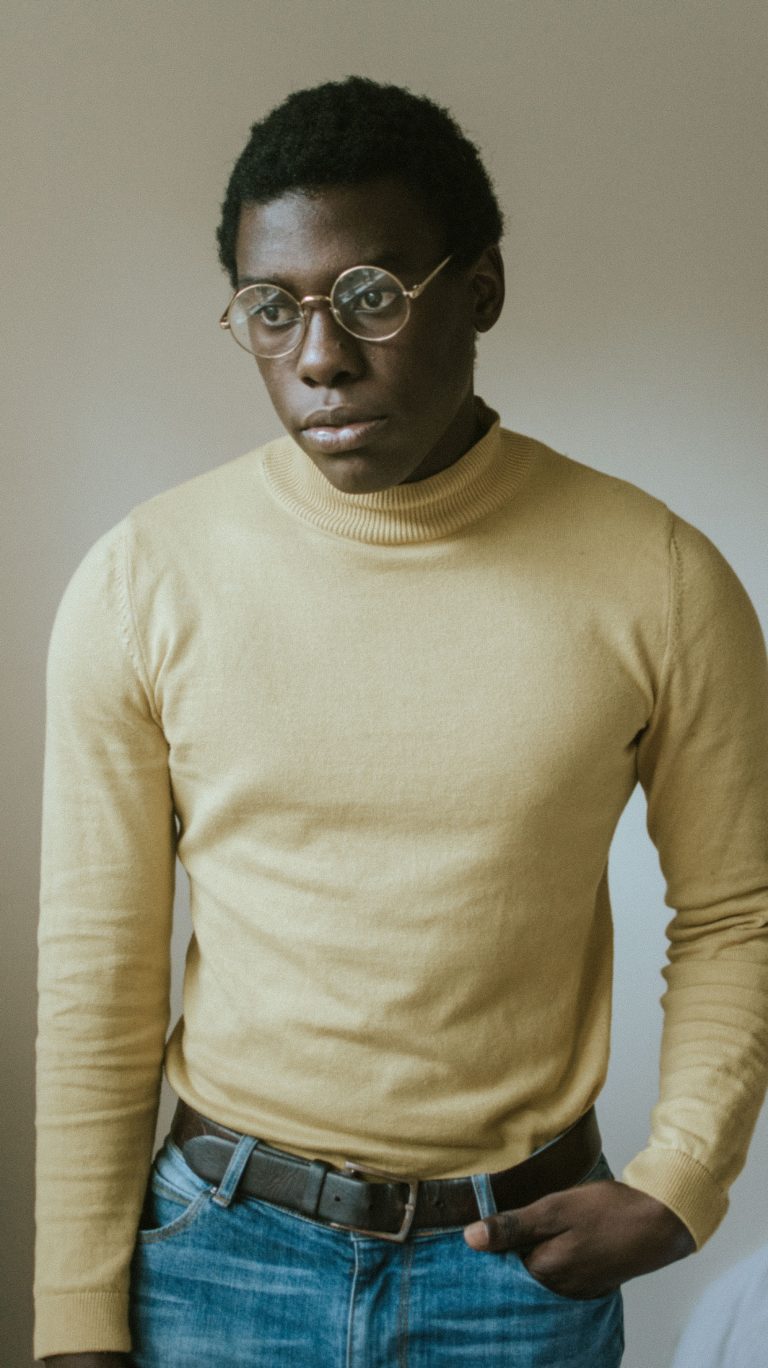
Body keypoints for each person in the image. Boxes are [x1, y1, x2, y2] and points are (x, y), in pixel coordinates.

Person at [35, 76, 768, 1368]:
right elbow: (100, 974)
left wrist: (683, 1179)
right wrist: (76, 1321)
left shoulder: (658, 574)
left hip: (518, 1271)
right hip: (219, 1260)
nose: (320, 355)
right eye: (273, 309)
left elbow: (737, 910)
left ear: (479, 289)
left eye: (371, 296)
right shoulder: (144, 578)